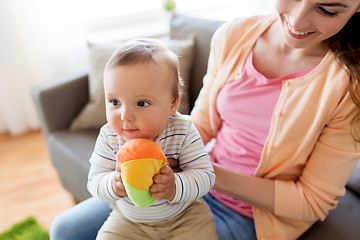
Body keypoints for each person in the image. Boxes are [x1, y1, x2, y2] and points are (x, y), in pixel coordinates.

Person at [50, 1, 360, 239]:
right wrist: (151, 155)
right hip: (188, 181)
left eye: (327, 9)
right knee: (66, 229)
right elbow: (199, 125)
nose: (297, 19)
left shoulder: (350, 87)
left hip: (251, 214)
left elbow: (312, 202)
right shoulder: (235, 36)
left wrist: (202, 172)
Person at [85, 38, 217, 240]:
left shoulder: (183, 130)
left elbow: (205, 176)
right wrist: (113, 184)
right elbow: (94, 181)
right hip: (130, 222)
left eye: (141, 103)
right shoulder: (110, 137)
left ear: (172, 105)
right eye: (114, 102)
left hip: (185, 217)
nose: (125, 116)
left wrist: (175, 186)